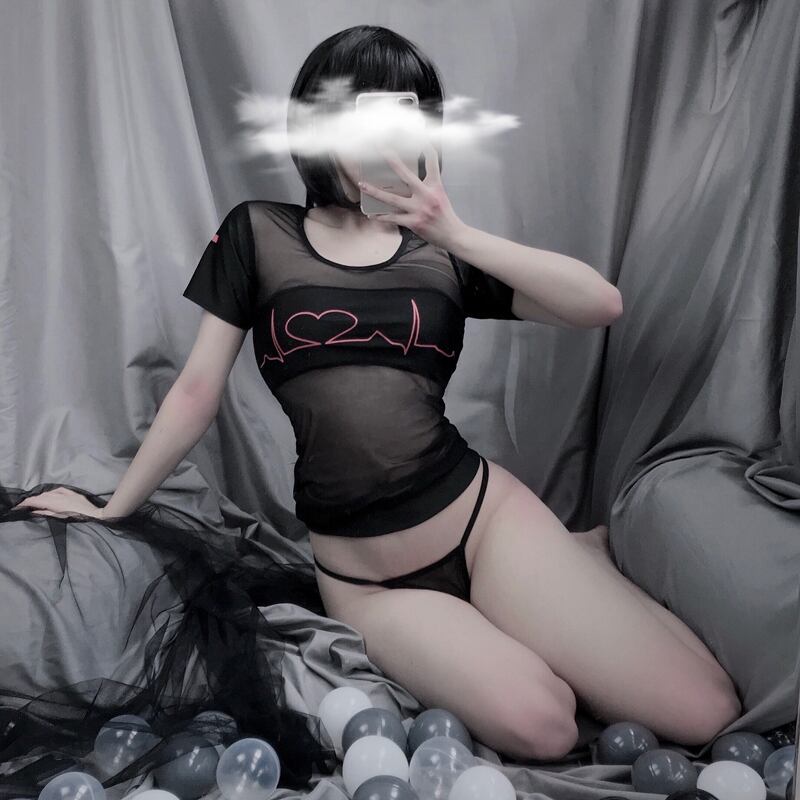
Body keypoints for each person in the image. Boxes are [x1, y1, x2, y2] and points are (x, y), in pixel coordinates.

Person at [6, 22, 742, 793]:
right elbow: (197, 389)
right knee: (546, 725)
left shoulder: (442, 252)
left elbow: (600, 304)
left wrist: (454, 231)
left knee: (705, 712)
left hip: (482, 521)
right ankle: (562, 586)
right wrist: (114, 506)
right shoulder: (259, 233)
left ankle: (569, 569)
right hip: (370, 582)